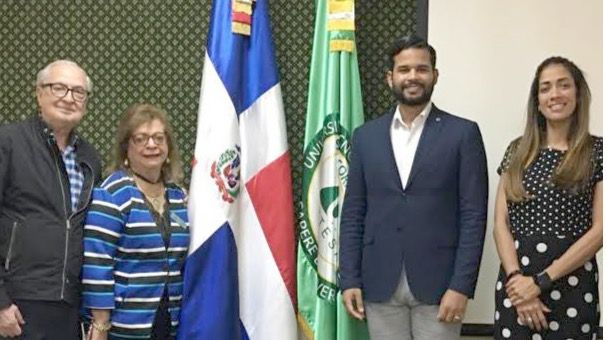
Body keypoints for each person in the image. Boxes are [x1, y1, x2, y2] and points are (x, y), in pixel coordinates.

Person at [339, 35, 488, 339]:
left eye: (421, 69)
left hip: (440, 286)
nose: (413, 77)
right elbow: (354, 212)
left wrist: (461, 286)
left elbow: (473, 216)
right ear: (390, 77)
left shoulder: (463, 134)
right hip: (379, 282)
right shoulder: (365, 137)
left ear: (435, 75)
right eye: (404, 69)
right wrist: (349, 278)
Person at [493, 57, 602, 339]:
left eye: (563, 85)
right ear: (537, 100)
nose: (554, 94)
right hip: (516, 290)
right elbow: (501, 224)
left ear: (578, 94)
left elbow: (600, 231)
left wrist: (541, 282)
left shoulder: (597, 151)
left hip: (572, 284)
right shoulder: (516, 150)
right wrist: (518, 282)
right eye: (545, 88)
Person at [0, 59, 101, 339]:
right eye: (59, 88)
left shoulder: (89, 158)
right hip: (16, 304)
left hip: (68, 306)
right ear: (39, 92)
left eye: (78, 92)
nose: (69, 98)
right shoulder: (8, 142)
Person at [82, 104, 189, 339]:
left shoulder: (179, 196)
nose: (151, 145)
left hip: (172, 320)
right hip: (124, 323)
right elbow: (97, 263)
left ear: (168, 147)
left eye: (159, 138)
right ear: (126, 149)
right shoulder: (112, 193)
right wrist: (100, 324)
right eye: (141, 139)